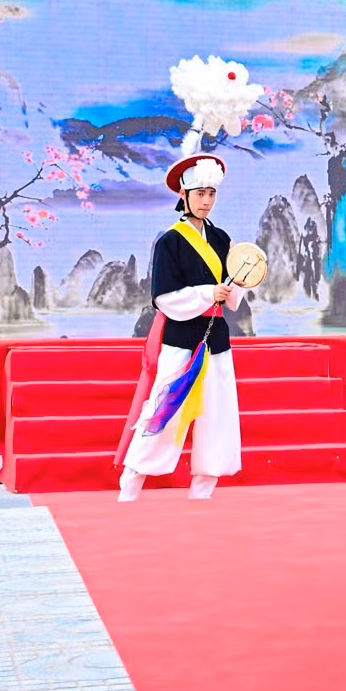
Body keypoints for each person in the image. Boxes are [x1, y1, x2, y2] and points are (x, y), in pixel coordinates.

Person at [115, 151, 243, 502]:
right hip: (180, 338)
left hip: (215, 337)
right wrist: (207, 292)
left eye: (211, 194)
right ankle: (134, 474)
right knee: (164, 408)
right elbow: (164, 298)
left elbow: (233, 293)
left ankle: (205, 485)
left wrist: (239, 284)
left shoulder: (222, 239)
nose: (206, 201)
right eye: (200, 193)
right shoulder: (169, 241)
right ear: (184, 196)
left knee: (217, 413)